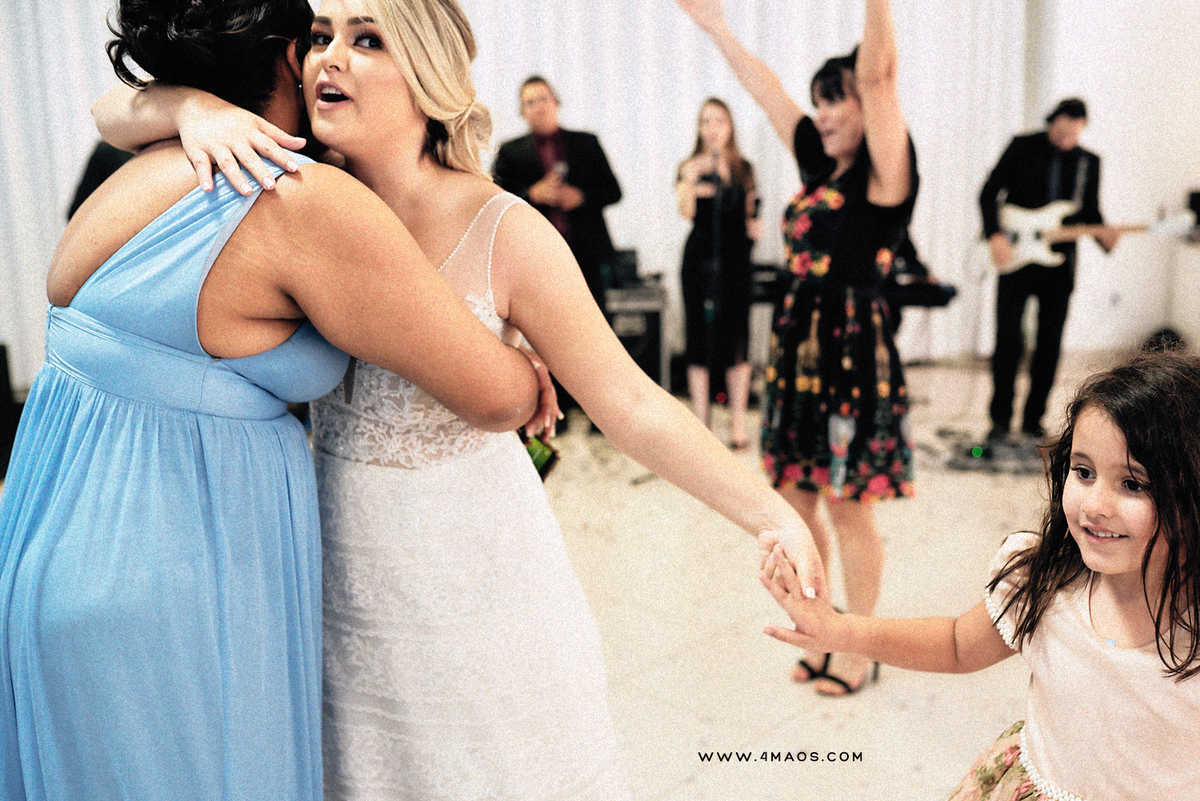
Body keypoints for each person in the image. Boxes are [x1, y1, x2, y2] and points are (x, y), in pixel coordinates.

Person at [97, 0, 827, 798]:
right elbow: (110, 113)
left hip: (478, 583)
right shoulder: (292, 188)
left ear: (427, 74)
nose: (329, 56)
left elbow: (630, 402)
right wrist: (191, 108)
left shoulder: (502, 228)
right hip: (343, 589)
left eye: (367, 39)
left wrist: (772, 513)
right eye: (321, 36)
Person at [0, 0, 555, 797]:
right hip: (167, 587)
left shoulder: (142, 165)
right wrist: (527, 369)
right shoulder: (295, 194)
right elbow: (495, 396)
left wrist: (183, 106)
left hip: (44, 551)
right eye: (322, 38)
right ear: (292, 58)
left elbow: (110, 108)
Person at [762, 350, 1200, 800]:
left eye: (1133, 484)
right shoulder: (1047, 582)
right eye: (1083, 472)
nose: (1094, 505)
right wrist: (839, 631)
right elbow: (956, 645)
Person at [679, 0, 917, 695]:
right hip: (798, 356)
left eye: (837, 101)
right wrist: (719, 28)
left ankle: (860, 647)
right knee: (795, 503)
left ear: (866, 107)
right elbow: (768, 91)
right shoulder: (820, 165)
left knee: (847, 509)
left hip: (852, 358)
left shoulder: (887, 176)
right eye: (821, 102)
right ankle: (823, 630)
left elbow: (879, 77)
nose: (824, 115)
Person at [980, 98, 1119, 443]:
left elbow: (1089, 212)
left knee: (1049, 344)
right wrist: (995, 235)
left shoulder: (1088, 162)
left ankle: (1033, 420)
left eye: (1073, 134)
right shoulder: (1022, 146)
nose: (1066, 139)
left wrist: (1104, 236)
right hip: (1016, 256)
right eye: (1061, 132)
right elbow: (988, 193)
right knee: (1008, 339)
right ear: (1051, 122)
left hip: (1058, 265)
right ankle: (1000, 420)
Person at [492, 75, 623, 318]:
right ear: (522, 111)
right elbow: (494, 201)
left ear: (556, 102)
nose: (538, 107)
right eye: (530, 102)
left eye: (543, 98)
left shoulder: (587, 143)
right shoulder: (510, 152)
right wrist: (531, 194)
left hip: (586, 253)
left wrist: (581, 197)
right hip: (534, 256)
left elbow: (614, 191)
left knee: (595, 322)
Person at [676, 97, 761, 450]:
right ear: (699, 128)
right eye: (706, 121)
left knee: (737, 337)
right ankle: (701, 422)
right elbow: (685, 211)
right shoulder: (689, 166)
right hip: (699, 260)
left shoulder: (744, 168)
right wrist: (688, 180)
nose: (713, 128)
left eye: (720, 121)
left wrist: (755, 227)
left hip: (736, 260)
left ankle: (737, 422)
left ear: (730, 127)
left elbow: (752, 214)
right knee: (699, 335)